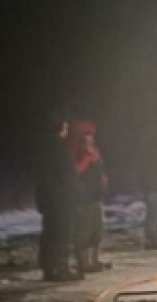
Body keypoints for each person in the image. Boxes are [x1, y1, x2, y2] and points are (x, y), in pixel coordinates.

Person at [34, 117, 81, 281]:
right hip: (61, 198)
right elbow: (66, 174)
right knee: (62, 233)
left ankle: (48, 267)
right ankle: (61, 268)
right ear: (61, 129)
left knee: (49, 232)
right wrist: (73, 191)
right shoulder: (60, 148)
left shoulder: (42, 149)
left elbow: (41, 176)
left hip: (48, 198)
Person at [70, 120, 109, 273]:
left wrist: (103, 179)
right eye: (87, 135)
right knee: (83, 231)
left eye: (91, 134)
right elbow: (76, 171)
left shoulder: (94, 150)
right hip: (84, 197)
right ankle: (83, 262)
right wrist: (88, 158)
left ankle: (94, 259)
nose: (90, 137)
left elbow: (98, 168)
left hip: (96, 196)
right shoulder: (76, 151)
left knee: (96, 230)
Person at [139, 129, 157, 249]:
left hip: (152, 188)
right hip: (155, 188)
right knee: (154, 215)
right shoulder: (156, 157)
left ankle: (153, 238)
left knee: (153, 214)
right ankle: (151, 240)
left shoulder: (146, 155)